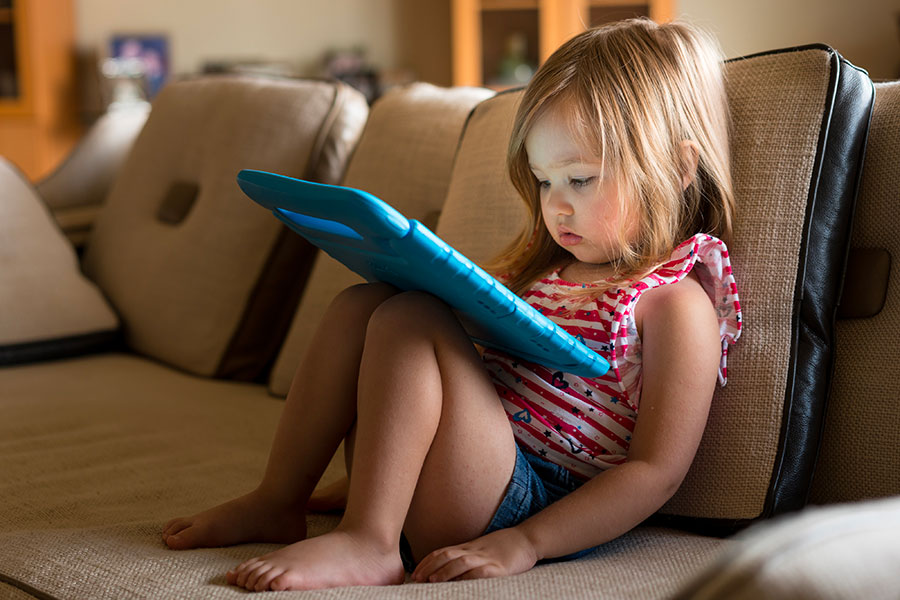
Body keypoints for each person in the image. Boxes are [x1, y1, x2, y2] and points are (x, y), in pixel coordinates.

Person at [161, 17, 742, 592]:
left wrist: (528, 542)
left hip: (519, 504)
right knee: (364, 303)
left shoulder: (674, 304)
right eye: (543, 182)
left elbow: (655, 473)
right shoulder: (546, 271)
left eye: (581, 180)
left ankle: (372, 543)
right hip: (453, 470)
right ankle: (277, 499)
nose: (556, 206)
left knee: (411, 319)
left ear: (680, 167)